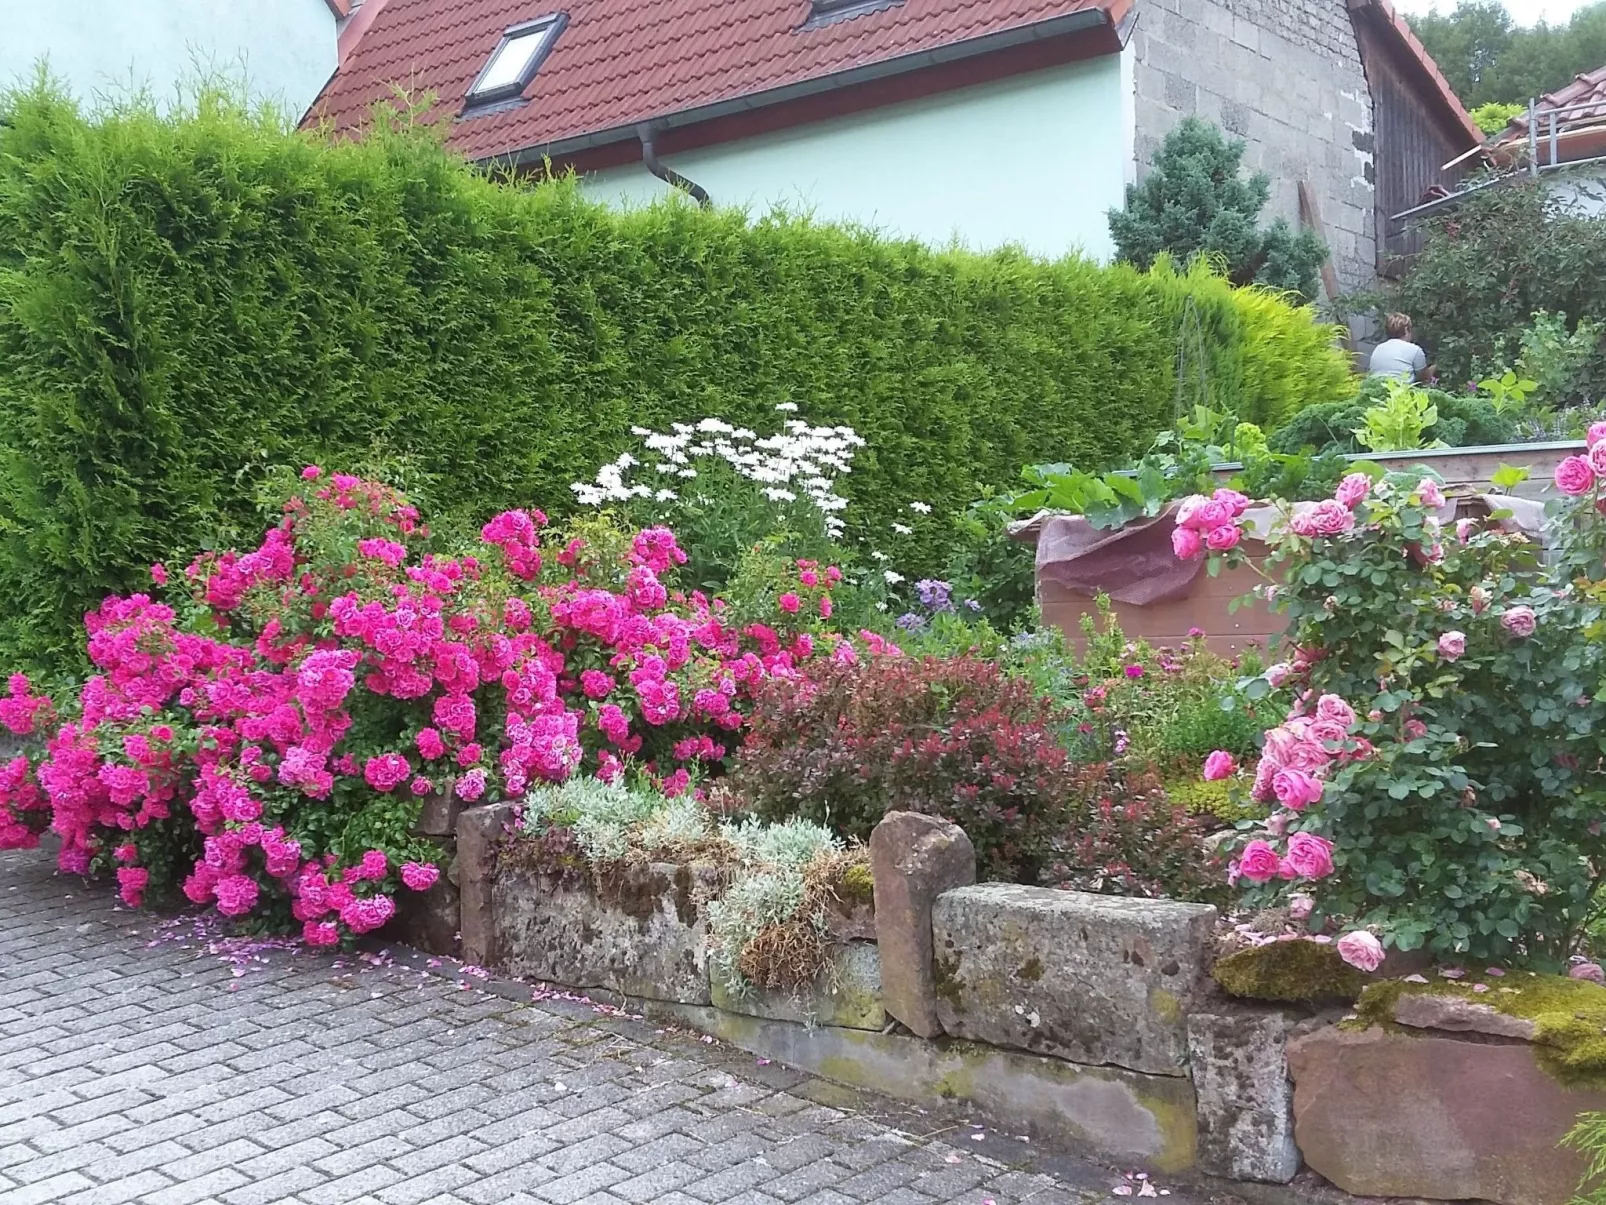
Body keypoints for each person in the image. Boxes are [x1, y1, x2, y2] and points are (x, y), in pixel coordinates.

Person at [1369, 313, 1432, 383]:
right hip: (1400, 391)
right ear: (1406, 330)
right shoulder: (1414, 350)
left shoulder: (1378, 348)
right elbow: (1424, 377)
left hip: (1377, 387)